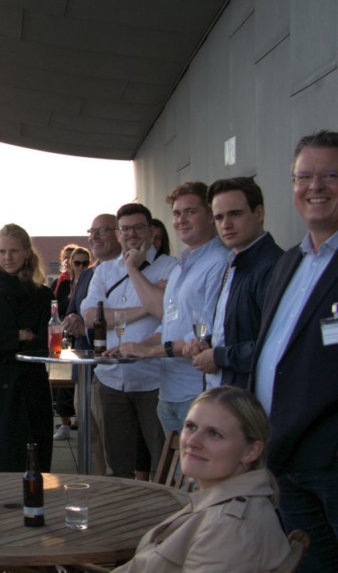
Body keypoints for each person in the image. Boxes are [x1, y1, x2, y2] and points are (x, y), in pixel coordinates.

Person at [252, 129, 338, 570]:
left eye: (329, 175)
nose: (315, 187)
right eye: (304, 176)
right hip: (285, 457)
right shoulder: (290, 262)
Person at [106, 386, 290, 572]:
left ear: (251, 451)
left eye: (214, 434)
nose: (192, 441)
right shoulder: (219, 499)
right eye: (191, 427)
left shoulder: (228, 529)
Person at [111, 182, 228, 434]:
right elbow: (168, 325)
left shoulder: (219, 262)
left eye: (190, 212)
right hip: (169, 393)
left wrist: (148, 352)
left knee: (200, 473)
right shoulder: (182, 266)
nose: (181, 220)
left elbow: (205, 336)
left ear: (210, 216)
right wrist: (134, 348)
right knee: (175, 474)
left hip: (198, 393)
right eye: (176, 213)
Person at [81, 203, 177, 479]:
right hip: (112, 378)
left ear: (152, 230)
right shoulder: (104, 272)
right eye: (125, 229)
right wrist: (145, 307)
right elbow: (90, 316)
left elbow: (168, 316)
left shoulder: (172, 268)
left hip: (155, 380)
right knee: (118, 465)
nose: (132, 234)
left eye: (138, 227)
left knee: (161, 463)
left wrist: (134, 269)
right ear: (118, 234)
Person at [0, 224, 54, 472]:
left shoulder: (42, 295)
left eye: (14, 251)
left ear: (27, 253)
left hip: (29, 390)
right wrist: (16, 336)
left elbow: (42, 345)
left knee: (33, 466)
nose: (8, 257)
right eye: (2, 251)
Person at [185, 177, 283, 389]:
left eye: (235, 214)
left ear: (259, 213)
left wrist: (219, 356)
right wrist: (208, 343)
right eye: (219, 217)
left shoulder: (272, 266)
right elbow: (236, 328)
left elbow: (278, 343)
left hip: (251, 401)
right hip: (226, 391)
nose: (226, 225)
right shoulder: (234, 262)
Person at [62, 215, 123, 475]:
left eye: (102, 231)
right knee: (89, 438)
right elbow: (72, 312)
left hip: (117, 371)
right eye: (92, 231)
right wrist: (74, 320)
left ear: (119, 234)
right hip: (86, 370)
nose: (94, 237)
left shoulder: (132, 271)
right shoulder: (87, 275)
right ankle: (95, 492)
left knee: (115, 444)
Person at [53, 246, 92, 440]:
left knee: (80, 390)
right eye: (77, 262)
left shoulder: (91, 280)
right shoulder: (61, 283)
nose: (81, 266)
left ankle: (77, 422)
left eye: (85, 262)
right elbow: (57, 309)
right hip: (65, 338)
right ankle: (65, 422)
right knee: (64, 383)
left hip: (84, 342)